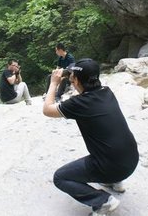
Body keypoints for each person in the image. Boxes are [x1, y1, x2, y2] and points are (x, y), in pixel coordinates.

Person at [42, 58, 139, 216]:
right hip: (131, 161)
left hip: (112, 167)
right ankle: (115, 182)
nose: (70, 77)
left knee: (60, 177)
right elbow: (83, 92)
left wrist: (54, 82)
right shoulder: (107, 92)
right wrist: (74, 77)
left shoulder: (78, 104)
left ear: (77, 80)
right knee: (107, 148)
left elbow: (47, 109)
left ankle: (103, 201)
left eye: (72, 76)